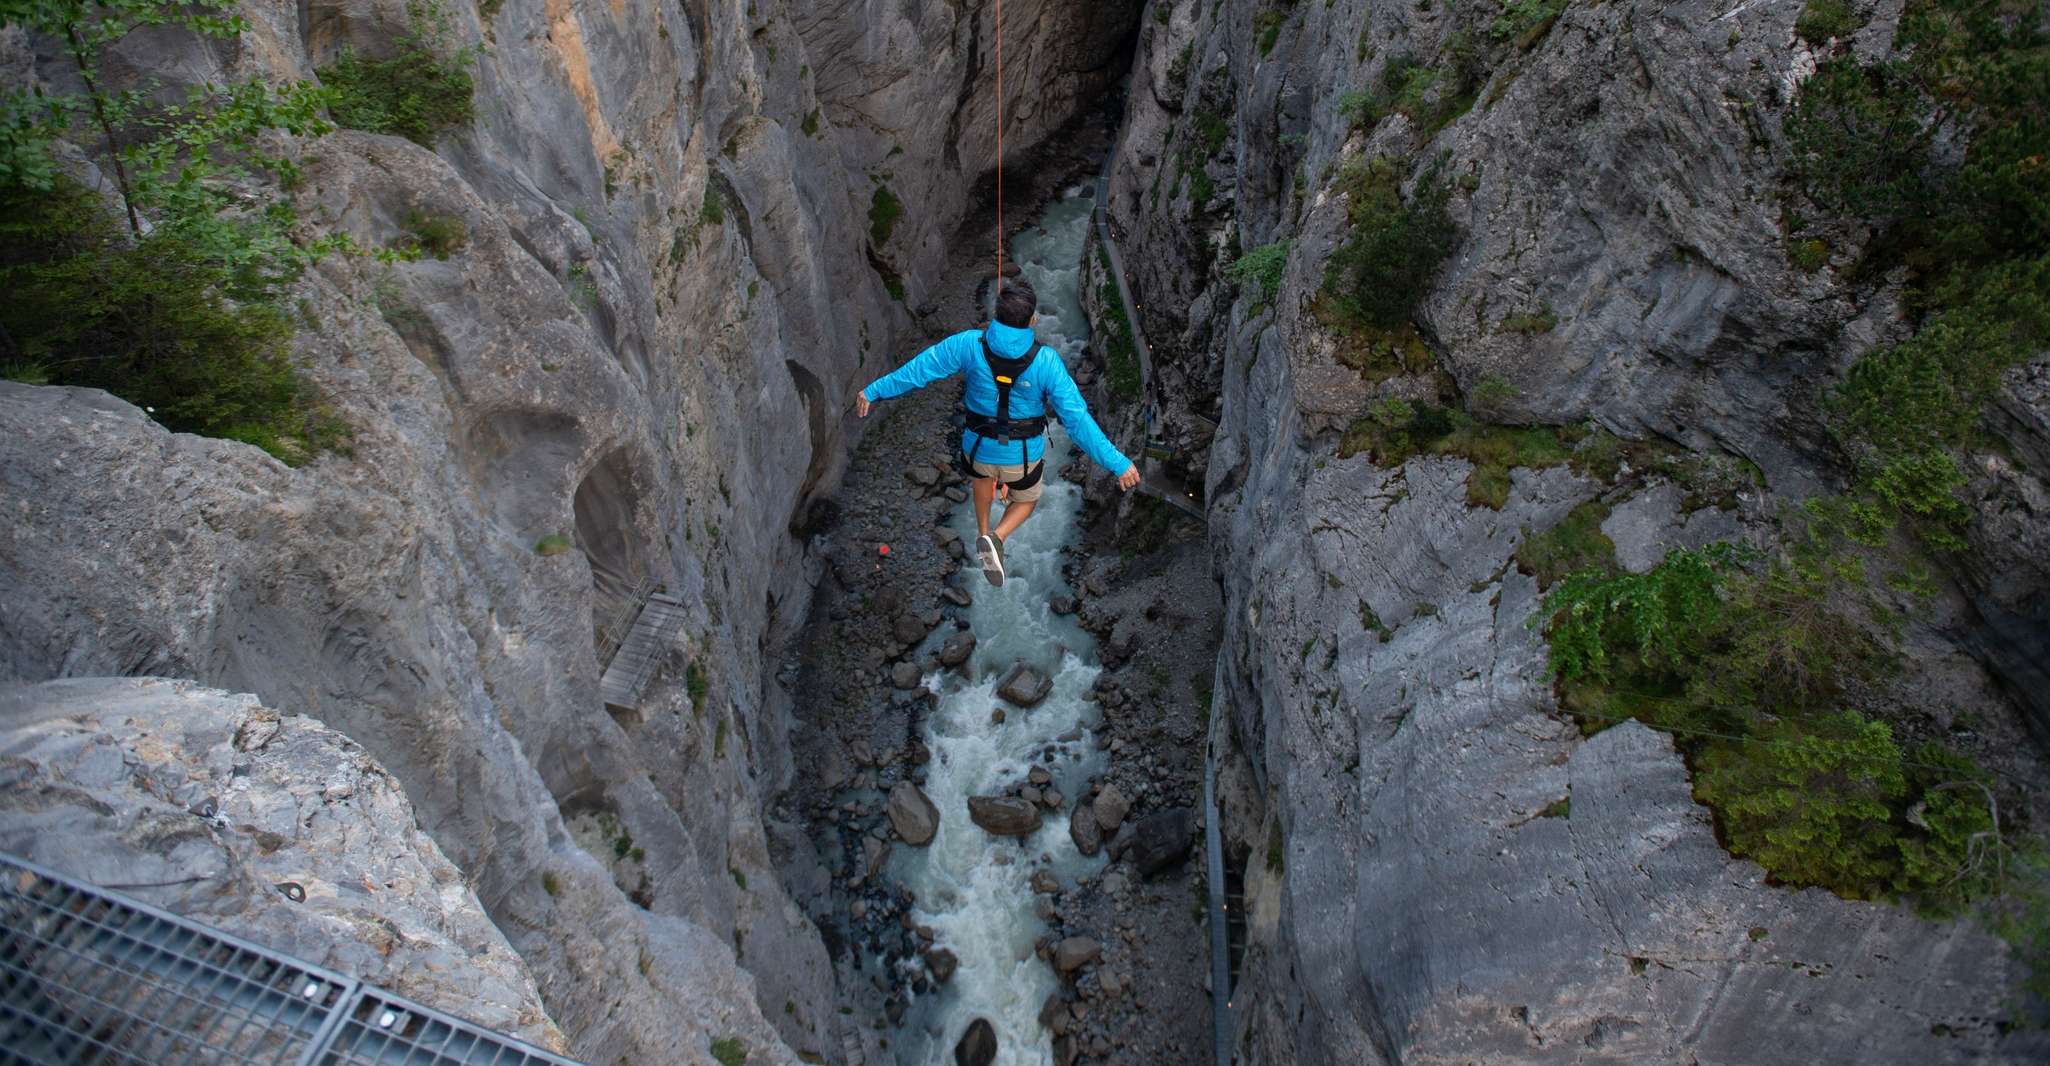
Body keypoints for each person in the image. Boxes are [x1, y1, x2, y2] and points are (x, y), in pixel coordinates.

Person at [855, 280, 1141, 586]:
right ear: (1032, 320)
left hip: (977, 449)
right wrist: (1118, 463)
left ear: (995, 314)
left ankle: (980, 533)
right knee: (1027, 500)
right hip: (1021, 457)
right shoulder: (1046, 362)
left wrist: (874, 391)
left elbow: (921, 370)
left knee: (983, 479)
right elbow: (1077, 421)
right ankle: (997, 537)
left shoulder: (968, 344)